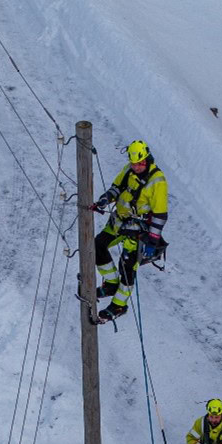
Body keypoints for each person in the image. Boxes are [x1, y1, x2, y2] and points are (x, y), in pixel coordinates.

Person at [91, 139, 169, 324]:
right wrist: (105, 199)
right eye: (134, 164)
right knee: (97, 246)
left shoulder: (158, 181)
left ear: (147, 159)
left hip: (137, 231)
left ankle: (119, 305)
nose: (136, 167)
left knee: (127, 267)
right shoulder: (129, 169)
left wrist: (152, 241)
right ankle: (110, 284)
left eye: (140, 164)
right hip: (118, 222)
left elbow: (160, 214)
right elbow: (116, 188)